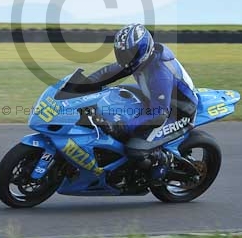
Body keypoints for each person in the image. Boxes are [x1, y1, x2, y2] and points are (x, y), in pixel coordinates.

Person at [83, 23, 199, 177]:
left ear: (142, 50)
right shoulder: (138, 58)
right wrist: (82, 85)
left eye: (129, 53)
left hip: (177, 111)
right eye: (121, 53)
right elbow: (108, 73)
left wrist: (122, 127)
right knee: (112, 95)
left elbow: (158, 115)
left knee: (134, 149)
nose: (125, 58)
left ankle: (163, 163)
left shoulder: (160, 73)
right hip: (155, 95)